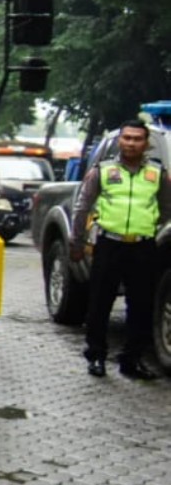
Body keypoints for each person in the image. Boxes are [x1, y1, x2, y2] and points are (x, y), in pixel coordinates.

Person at [71, 118, 171, 379]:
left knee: (140, 306)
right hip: (108, 245)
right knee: (100, 304)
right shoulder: (102, 171)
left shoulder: (157, 174)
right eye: (127, 138)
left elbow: (166, 210)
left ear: (145, 144)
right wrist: (77, 241)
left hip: (142, 247)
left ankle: (132, 360)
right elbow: (82, 207)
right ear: (119, 141)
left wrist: (146, 228)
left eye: (137, 139)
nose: (131, 143)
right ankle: (96, 357)